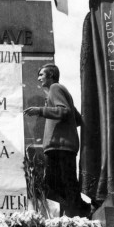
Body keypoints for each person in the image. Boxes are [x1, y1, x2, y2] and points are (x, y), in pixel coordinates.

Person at [24, 64, 88, 217]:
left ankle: (81, 211)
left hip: (60, 147)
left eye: (41, 74)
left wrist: (40, 110)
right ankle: (76, 211)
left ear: (51, 75)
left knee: (63, 184)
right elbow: (76, 118)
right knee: (59, 184)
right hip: (60, 146)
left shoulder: (55, 88)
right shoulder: (59, 91)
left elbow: (65, 111)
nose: (39, 78)